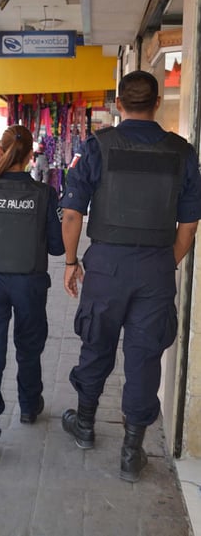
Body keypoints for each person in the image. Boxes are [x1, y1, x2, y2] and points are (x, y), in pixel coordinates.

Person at [59, 70, 201, 483]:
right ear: (156, 103)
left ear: (118, 104)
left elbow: (72, 213)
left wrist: (71, 262)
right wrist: (165, 263)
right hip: (156, 266)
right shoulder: (182, 151)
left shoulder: (97, 147)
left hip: (105, 266)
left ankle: (85, 426)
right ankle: (131, 451)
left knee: (96, 345)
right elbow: (189, 227)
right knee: (144, 356)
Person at [0, 124, 65, 459]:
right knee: (28, 350)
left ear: (2, 152)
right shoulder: (45, 195)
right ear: (31, 154)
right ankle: (29, 405)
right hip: (29, 283)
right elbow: (58, 247)